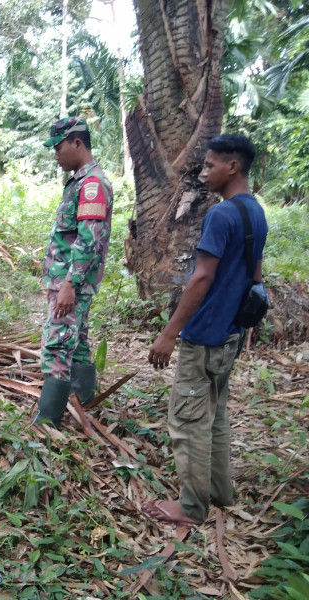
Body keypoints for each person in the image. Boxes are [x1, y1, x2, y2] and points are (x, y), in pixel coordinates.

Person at [144, 133, 267, 526]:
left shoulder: (221, 215)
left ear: (233, 167)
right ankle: (219, 491)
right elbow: (256, 273)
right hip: (230, 332)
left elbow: (201, 279)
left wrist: (169, 334)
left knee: (188, 419)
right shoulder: (255, 211)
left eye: (210, 165)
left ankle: (192, 506)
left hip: (206, 335)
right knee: (214, 414)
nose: (203, 172)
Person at [35, 117, 114, 427]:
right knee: (77, 344)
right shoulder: (81, 181)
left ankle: (46, 424)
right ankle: (83, 406)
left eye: (59, 147)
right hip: (70, 282)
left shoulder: (92, 184)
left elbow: (88, 240)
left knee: (56, 347)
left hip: (71, 284)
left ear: (77, 143)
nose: (56, 154)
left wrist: (69, 284)